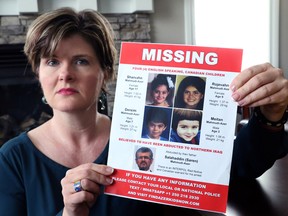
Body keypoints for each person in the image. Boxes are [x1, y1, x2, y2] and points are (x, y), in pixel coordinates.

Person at [0, 7, 287, 216]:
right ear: (38, 73)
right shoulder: (13, 158)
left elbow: (238, 167)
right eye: (52, 62)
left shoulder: (150, 134)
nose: (65, 74)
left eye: (81, 61)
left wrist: (271, 113)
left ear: (106, 74)